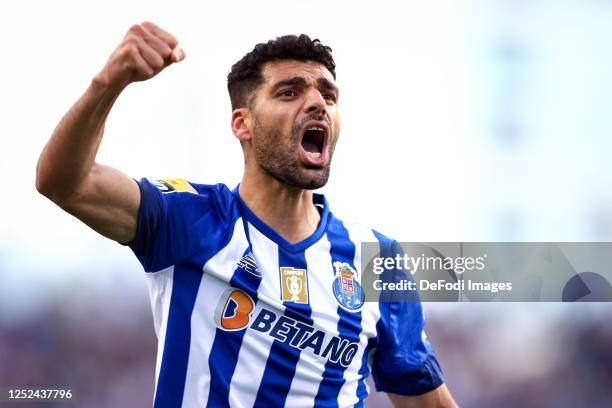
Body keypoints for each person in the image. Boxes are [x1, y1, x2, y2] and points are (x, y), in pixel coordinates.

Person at [36, 21, 458, 408]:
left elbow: (426, 399)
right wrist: (109, 82)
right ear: (243, 124)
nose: (317, 103)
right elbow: (64, 182)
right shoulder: (191, 220)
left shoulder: (375, 259)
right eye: (289, 92)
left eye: (327, 95)